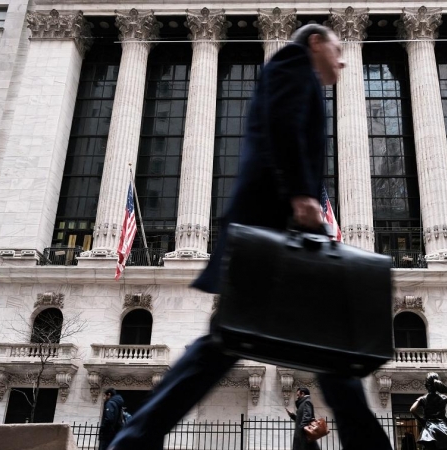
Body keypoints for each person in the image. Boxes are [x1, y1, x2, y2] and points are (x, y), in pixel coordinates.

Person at [108, 24, 392, 450]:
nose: (344, 58)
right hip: (274, 235)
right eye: (337, 48)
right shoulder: (292, 65)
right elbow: (283, 127)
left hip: (277, 236)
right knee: (243, 345)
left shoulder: (297, 72)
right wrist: (302, 196)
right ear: (315, 43)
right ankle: (134, 438)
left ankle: (134, 438)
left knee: (309, 350)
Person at [409, 373, 447, 450]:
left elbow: (412, 410)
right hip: (443, 426)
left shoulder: (423, 398)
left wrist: (421, 420)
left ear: (426, 385)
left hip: (429, 427)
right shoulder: (444, 397)